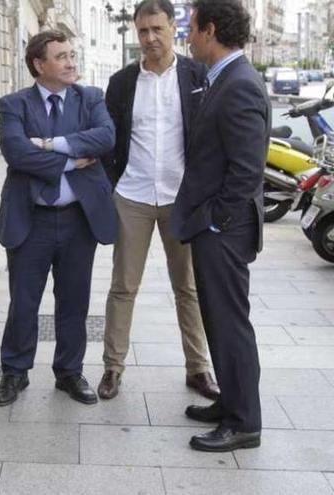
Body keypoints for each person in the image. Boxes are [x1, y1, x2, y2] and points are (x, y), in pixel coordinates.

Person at [99, 0, 218, 401]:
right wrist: (112, 183)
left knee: (188, 287)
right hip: (131, 196)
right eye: (143, 31)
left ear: (173, 29)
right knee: (123, 287)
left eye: (157, 29)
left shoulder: (197, 76)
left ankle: (198, 368)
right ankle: (113, 368)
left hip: (180, 198)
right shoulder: (121, 82)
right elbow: (108, 140)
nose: (149, 38)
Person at [0, 30, 116, 407]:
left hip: (79, 218)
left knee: (74, 301)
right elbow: (17, 154)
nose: (70, 62)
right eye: (61, 56)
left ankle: (69, 372)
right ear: (38, 64)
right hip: (31, 218)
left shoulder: (90, 97)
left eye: (71, 54)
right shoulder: (13, 105)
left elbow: (106, 137)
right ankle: (15, 372)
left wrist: (48, 145)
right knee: (24, 301)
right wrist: (71, 161)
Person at [170, 0, 269, 452]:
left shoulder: (240, 85)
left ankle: (244, 421)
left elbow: (248, 169)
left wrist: (216, 221)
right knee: (217, 318)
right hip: (215, 226)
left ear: (210, 30)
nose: (187, 37)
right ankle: (231, 401)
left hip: (223, 230)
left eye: (191, 29)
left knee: (230, 325)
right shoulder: (223, 79)